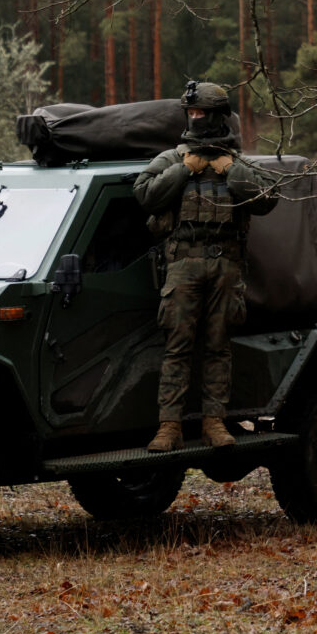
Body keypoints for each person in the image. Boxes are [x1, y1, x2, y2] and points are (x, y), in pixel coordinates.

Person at [133, 81, 277, 452]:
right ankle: (169, 427)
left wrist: (231, 170)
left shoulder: (238, 163)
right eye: (190, 113)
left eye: (200, 113)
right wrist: (185, 170)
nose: (194, 118)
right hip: (183, 262)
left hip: (226, 263)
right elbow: (144, 194)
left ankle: (215, 423)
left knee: (218, 347)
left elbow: (267, 198)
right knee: (177, 347)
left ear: (216, 117)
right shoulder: (173, 158)